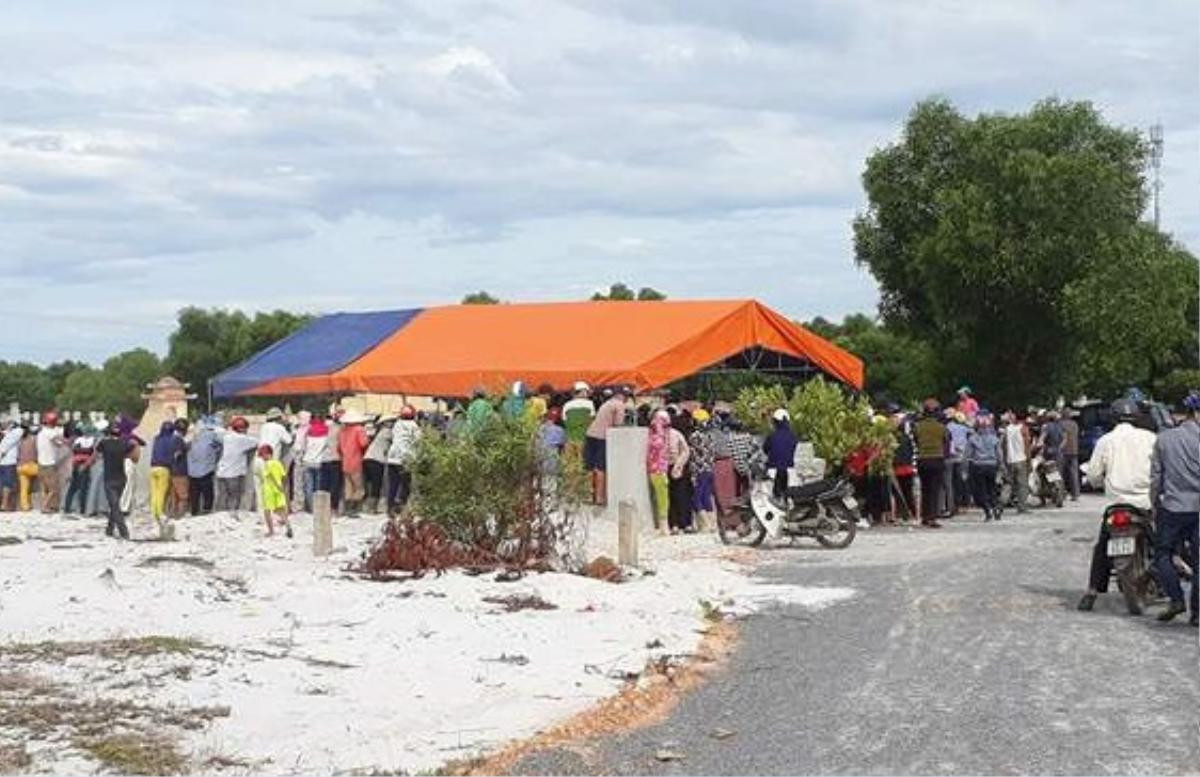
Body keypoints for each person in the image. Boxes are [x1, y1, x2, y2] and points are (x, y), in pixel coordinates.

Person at [1077, 398, 1157, 612]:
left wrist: (1097, 482)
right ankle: (1166, 579)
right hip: (1145, 503)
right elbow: (1159, 469)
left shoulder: (1106, 441)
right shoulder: (1150, 438)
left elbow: (1093, 474)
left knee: (1102, 546)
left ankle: (1092, 590)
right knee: (1161, 545)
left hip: (1117, 505)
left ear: (1113, 418)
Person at [1148, 393, 1199, 625]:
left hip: (1173, 507)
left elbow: (1156, 478)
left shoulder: (1164, 439)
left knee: (1162, 555)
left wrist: (1154, 504)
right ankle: (1197, 613)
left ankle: (1176, 599)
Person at [584, 386, 628, 506]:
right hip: (602, 437)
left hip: (590, 434)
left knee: (589, 467)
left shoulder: (607, 403)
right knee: (600, 468)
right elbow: (619, 424)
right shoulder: (619, 405)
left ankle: (588, 495)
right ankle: (599, 497)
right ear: (623, 396)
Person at [95, 423, 134, 539]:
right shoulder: (125, 444)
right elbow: (134, 451)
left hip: (109, 478)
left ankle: (124, 532)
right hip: (121, 478)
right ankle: (109, 529)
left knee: (114, 506)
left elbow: (96, 453)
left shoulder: (104, 443)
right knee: (115, 505)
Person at [913, 398, 947, 528]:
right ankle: (933, 517)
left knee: (925, 489)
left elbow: (916, 441)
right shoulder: (941, 427)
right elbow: (946, 441)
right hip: (937, 459)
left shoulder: (917, 426)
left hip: (922, 460)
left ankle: (925, 516)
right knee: (935, 490)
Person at [215, 416, 257, 512]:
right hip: (234, 474)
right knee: (234, 497)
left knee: (222, 497)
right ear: (243, 428)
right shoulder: (243, 439)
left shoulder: (226, 437)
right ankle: (233, 515)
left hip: (221, 472)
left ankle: (219, 517)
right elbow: (257, 443)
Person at [965, 412, 1002, 521]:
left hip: (979, 466)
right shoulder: (994, 438)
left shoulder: (972, 439)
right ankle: (995, 507)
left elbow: (967, 455)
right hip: (992, 466)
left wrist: (965, 468)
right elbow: (999, 454)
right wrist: (1001, 466)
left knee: (981, 490)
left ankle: (987, 511)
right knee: (992, 488)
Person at [385, 405, 421, 515]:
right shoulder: (414, 427)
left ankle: (390, 507)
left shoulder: (396, 425)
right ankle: (401, 507)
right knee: (406, 485)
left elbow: (393, 438)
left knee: (393, 485)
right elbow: (418, 441)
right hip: (406, 459)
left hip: (392, 458)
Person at [187, 417, 222, 515]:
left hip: (192, 471)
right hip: (206, 469)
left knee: (194, 494)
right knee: (208, 493)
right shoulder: (212, 435)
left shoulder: (193, 437)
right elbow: (221, 444)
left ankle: (194, 512)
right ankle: (206, 511)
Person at [338, 411, 370, 516]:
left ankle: (346, 508)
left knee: (348, 487)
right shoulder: (359, 429)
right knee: (359, 488)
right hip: (356, 460)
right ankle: (353, 509)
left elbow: (339, 447)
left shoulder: (342, 431)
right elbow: (363, 443)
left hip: (345, 461)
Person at [689, 409, 717, 530]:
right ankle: (712, 523)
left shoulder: (694, 436)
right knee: (706, 497)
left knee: (697, 498)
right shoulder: (710, 435)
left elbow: (693, 454)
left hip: (699, 470)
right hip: (709, 468)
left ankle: (705, 524)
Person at [258, 444, 293, 538]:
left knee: (267, 511)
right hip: (279, 490)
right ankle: (288, 526)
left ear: (267, 454)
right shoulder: (278, 463)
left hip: (269, 490)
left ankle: (271, 531)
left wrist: (276, 486)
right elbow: (284, 477)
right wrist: (283, 487)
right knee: (280, 510)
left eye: (262, 455)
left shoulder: (267, 464)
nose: (262, 458)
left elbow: (270, 476)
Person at [35, 411, 67, 513]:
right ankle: (45, 507)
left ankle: (48, 506)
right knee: (54, 488)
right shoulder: (51, 432)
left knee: (45, 488)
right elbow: (60, 441)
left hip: (41, 462)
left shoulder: (41, 433)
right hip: (49, 463)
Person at [149, 420, 179, 526]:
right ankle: (160, 513)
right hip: (164, 469)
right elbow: (174, 453)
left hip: (153, 468)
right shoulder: (173, 439)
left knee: (154, 492)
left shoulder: (156, 439)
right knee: (161, 492)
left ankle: (153, 513)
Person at [763, 408, 797, 502]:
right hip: (790, 469)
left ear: (775, 422)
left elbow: (765, 449)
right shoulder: (793, 436)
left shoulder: (772, 435)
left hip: (773, 469)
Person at [646, 409, 671, 532]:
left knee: (661, 497)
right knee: (662, 497)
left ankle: (662, 525)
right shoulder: (660, 437)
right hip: (659, 469)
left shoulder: (653, 436)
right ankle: (663, 525)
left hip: (656, 468)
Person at [890, 408, 917, 522]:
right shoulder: (907, 438)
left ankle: (901, 514)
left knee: (897, 494)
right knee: (908, 492)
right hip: (908, 467)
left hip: (897, 468)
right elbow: (912, 451)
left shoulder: (892, 439)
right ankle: (913, 513)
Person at [1002, 411, 1031, 513]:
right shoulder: (1024, 429)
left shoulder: (1007, 429)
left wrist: (1005, 459)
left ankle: (1001, 503)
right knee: (1022, 485)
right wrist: (1029, 460)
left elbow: (1004, 445)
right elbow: (1027, 445)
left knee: (1008, 483)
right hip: (1021, 459)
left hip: (1010, 460)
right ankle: (1022, 507)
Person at [667, 413, 692, 532]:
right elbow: (686, 451)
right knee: (680, 495)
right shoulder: (677, 433)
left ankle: (676, 524)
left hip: (672, 466)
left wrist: (678, 465)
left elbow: (685, 451)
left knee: (673, 496)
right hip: (675, 465)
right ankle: (683, 523)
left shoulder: (673, 434)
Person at [363, 415, 393, 513]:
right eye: (390, 421)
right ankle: (373, 507)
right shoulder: (388, 432)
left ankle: (366, 505)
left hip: (368, 458)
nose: (392, 423)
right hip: (376, 459)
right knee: (377, 484)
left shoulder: (379, 432)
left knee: (369, 483)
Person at [301, 414, 331, 512]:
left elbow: (303, 447)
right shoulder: (326, 431)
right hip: (319, 462)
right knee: (318, 487)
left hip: (307, 461)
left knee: (309, 486)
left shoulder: (308, 431)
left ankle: (310, 508)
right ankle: (318, 507)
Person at [944, 410, 971, 514]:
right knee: (961, 481)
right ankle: (962, 503)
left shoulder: (947, 427)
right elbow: (971, 432)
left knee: (949, 483)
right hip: (962, 457)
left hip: (950, 457)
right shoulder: (964, 428)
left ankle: (951, 506)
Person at [562, 382, 595, 449]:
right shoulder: (589, 404)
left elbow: (564, 420)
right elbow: (592, 420)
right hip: (584, 439)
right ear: (583, 392)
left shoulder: (567, 405)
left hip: (570, 439)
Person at [168, 419, 190, 517]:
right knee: (183, 496)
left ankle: (172, 514)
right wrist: (186, 448)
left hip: (173, 471)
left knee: (174, 495)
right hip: (180, 472)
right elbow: (177, 454)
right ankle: (180, 515)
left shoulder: (172, 438)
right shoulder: (178, 440)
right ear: (184, 430)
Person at [1059, 408, 1081, 501]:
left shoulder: (1061, 424)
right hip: (1074, 451)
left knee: (1061, 473)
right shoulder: (1075, 424)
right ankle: (1075, 494)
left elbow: (1061, 437)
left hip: (1063, 451)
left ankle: (1061, 493)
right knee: (1074, 473)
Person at [0, 420, 21, 511]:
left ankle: (4, 504)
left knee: (4, 484)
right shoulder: (14, 434)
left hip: (4, 462)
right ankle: (4, 505)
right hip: (8, 462)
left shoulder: (7, 435)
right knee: (7, 485)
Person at [17, 425, 39, 511]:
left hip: (20, 467)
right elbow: (36, 452)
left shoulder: (20, 440)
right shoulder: (34, 439)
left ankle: (25, 506)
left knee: (24, 488)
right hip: (31, 466)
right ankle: (47, 502)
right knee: (46, 477)